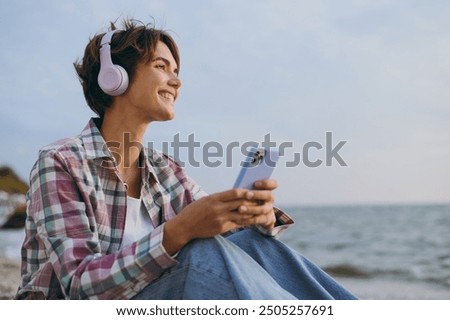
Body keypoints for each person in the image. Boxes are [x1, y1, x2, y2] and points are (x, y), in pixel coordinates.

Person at [16, 19, 357, 300]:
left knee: (252, 241)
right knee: (200, 253)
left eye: (176, 70)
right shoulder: (60, 163)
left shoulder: (165, 171)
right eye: (161, 66)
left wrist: (257, 216)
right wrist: (177, 231)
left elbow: (226, 233)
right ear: (113, 77)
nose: (176, 81)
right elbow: (78, 286)